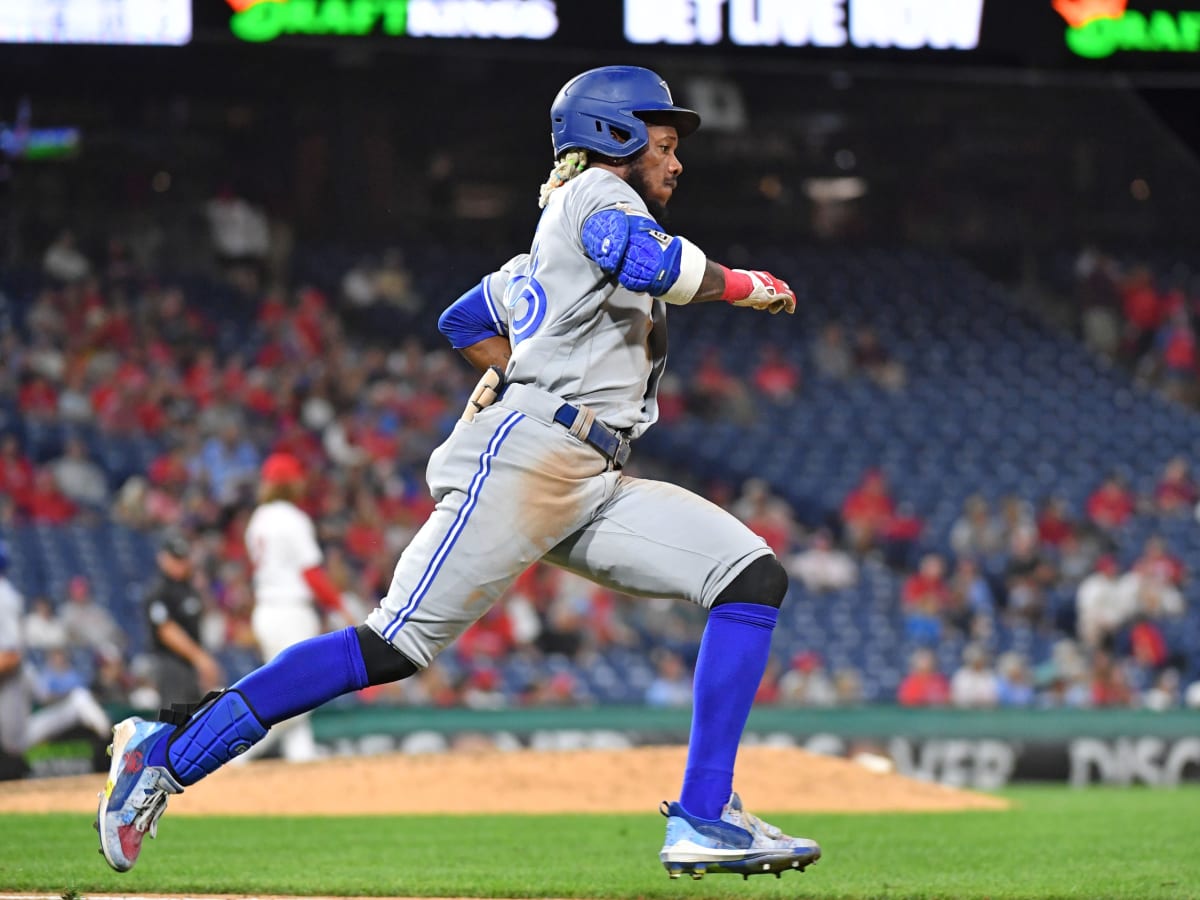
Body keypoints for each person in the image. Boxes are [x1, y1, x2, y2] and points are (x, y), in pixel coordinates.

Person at [95, 65, 819, 880]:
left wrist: (514, 366)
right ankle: (166, 752)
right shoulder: (597, 199)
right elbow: (649, 264)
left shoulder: (541, 254)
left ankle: (705, 815)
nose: (676, 161)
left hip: (590, 472)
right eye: (664, 141)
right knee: (392, 644)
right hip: (530, 460)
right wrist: (746, 286)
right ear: (614, 135)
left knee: (749, 576)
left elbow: (464, 319)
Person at [236, 452, 352, 764]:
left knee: (291, 688)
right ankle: (238, 751)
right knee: (299, 692)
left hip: (267, 610)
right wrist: (341, 608)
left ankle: (301, 756)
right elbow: (311, 573)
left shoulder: (258, 519)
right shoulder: (292, 518)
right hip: (290, 612)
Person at [143, 532, 223, 706]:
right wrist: (201, 658)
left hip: (190, 666)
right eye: (175, 558)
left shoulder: (189, 589)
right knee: (175, 718)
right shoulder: (160, 591)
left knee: (194, 717)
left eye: (183, 558)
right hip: (170, 664)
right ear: (163, 558)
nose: (180, 564)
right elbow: (166, 630)